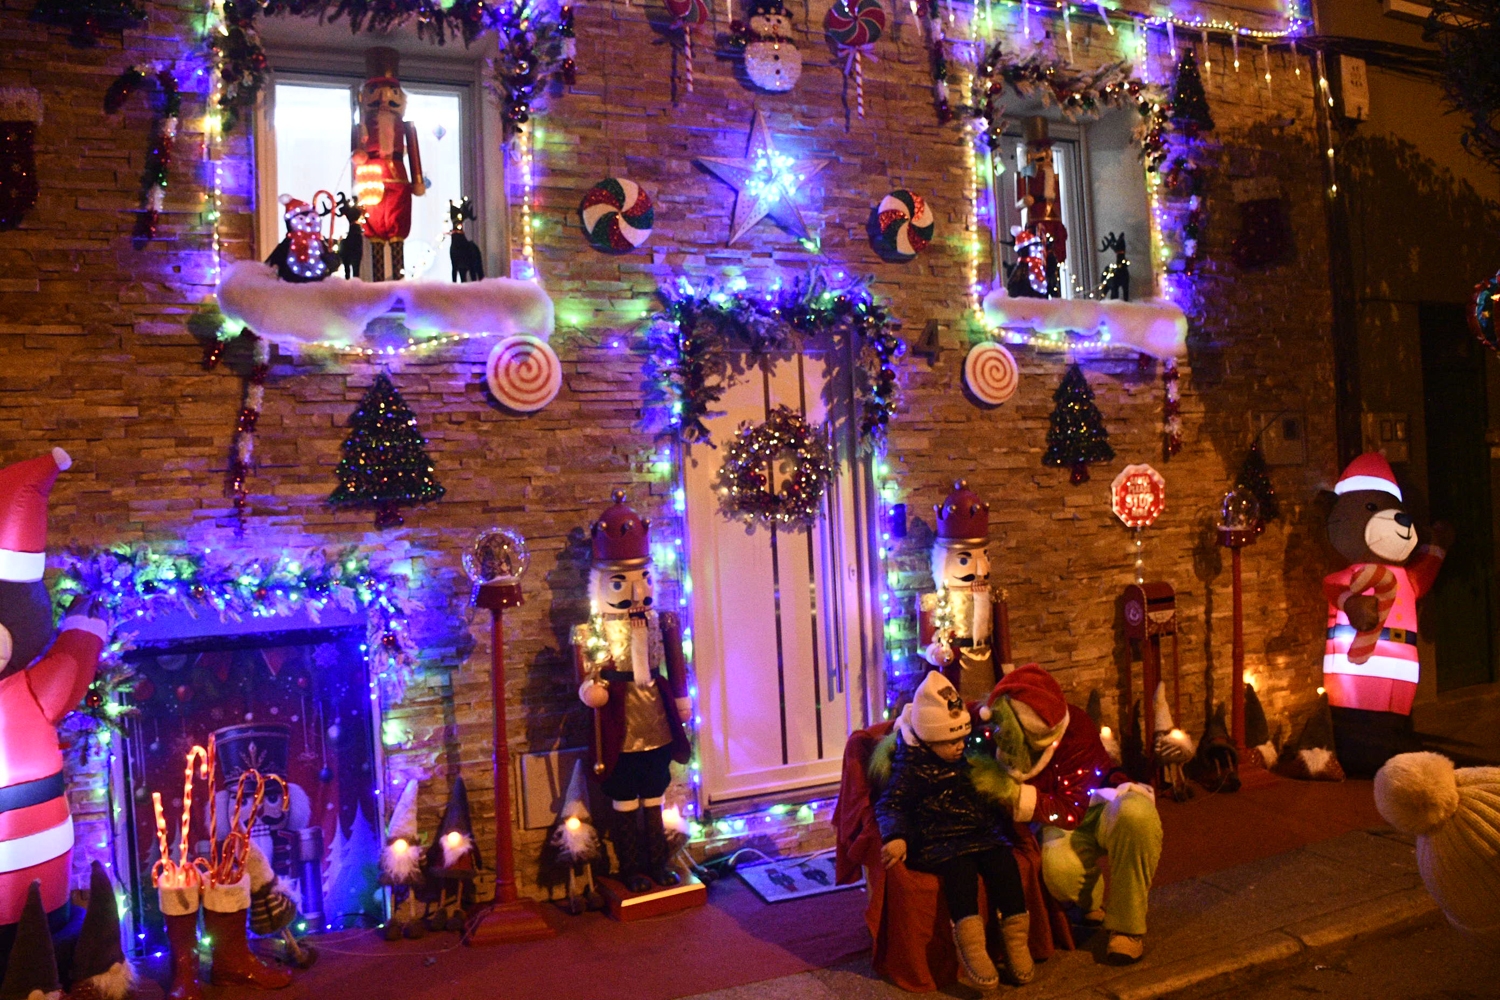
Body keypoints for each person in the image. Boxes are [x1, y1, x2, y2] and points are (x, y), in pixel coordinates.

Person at [984, 664, 1161, 964]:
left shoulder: (1075, 726)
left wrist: (1018, 799)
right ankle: (1090, 899)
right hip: (1055, 814)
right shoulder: (993, 726)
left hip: (1099, 802)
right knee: (1059, 873)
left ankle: (1127, 929)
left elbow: (1071, 809)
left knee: (1137, 817)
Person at [875, 671, 1033, 989]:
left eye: (962, 738)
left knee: (1005, 865)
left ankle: (1016, 944)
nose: (960, 746)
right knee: (960, 875)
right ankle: (972, 949)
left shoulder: (967, 755)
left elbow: (985, 787)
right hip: (938, 840)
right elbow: (891, 805)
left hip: (980, 831)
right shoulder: (910, 768)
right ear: (929, 738)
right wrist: (896, 836)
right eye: (950, 741)